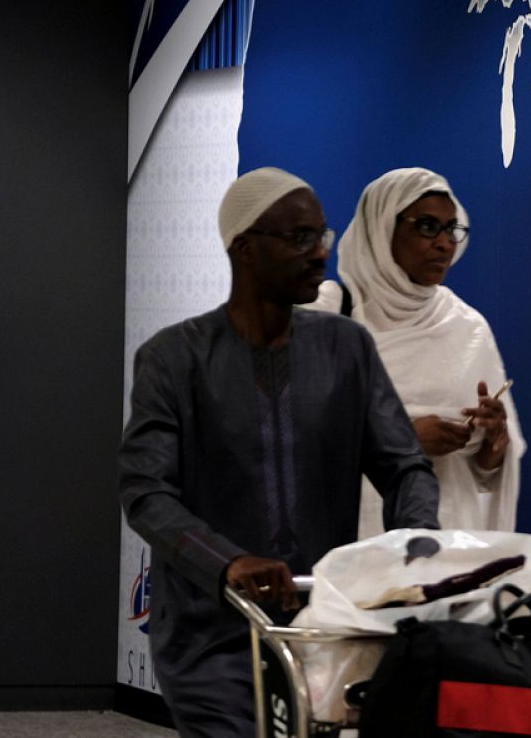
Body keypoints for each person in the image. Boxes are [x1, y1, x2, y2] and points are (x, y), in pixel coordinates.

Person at [119, 167, 440, 738]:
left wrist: (411, 545)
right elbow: (146, 494)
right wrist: (229, 563)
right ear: (244, 248)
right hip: (209, 636)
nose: (320, 254)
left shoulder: (347, 349)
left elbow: (405, 465)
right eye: (299, 239)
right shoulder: (173, 358)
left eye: (323, 237)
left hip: (324, 626)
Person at [310, 167, 524, 536]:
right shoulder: (326, 315)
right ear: (382, 229)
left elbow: (486, 470)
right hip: (353, 541)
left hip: (445, 539)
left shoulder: (467, 327)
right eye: (427, 226)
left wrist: (493, 440)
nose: (444, 243)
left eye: (452, 229)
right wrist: (401, 439)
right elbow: (288, 440)